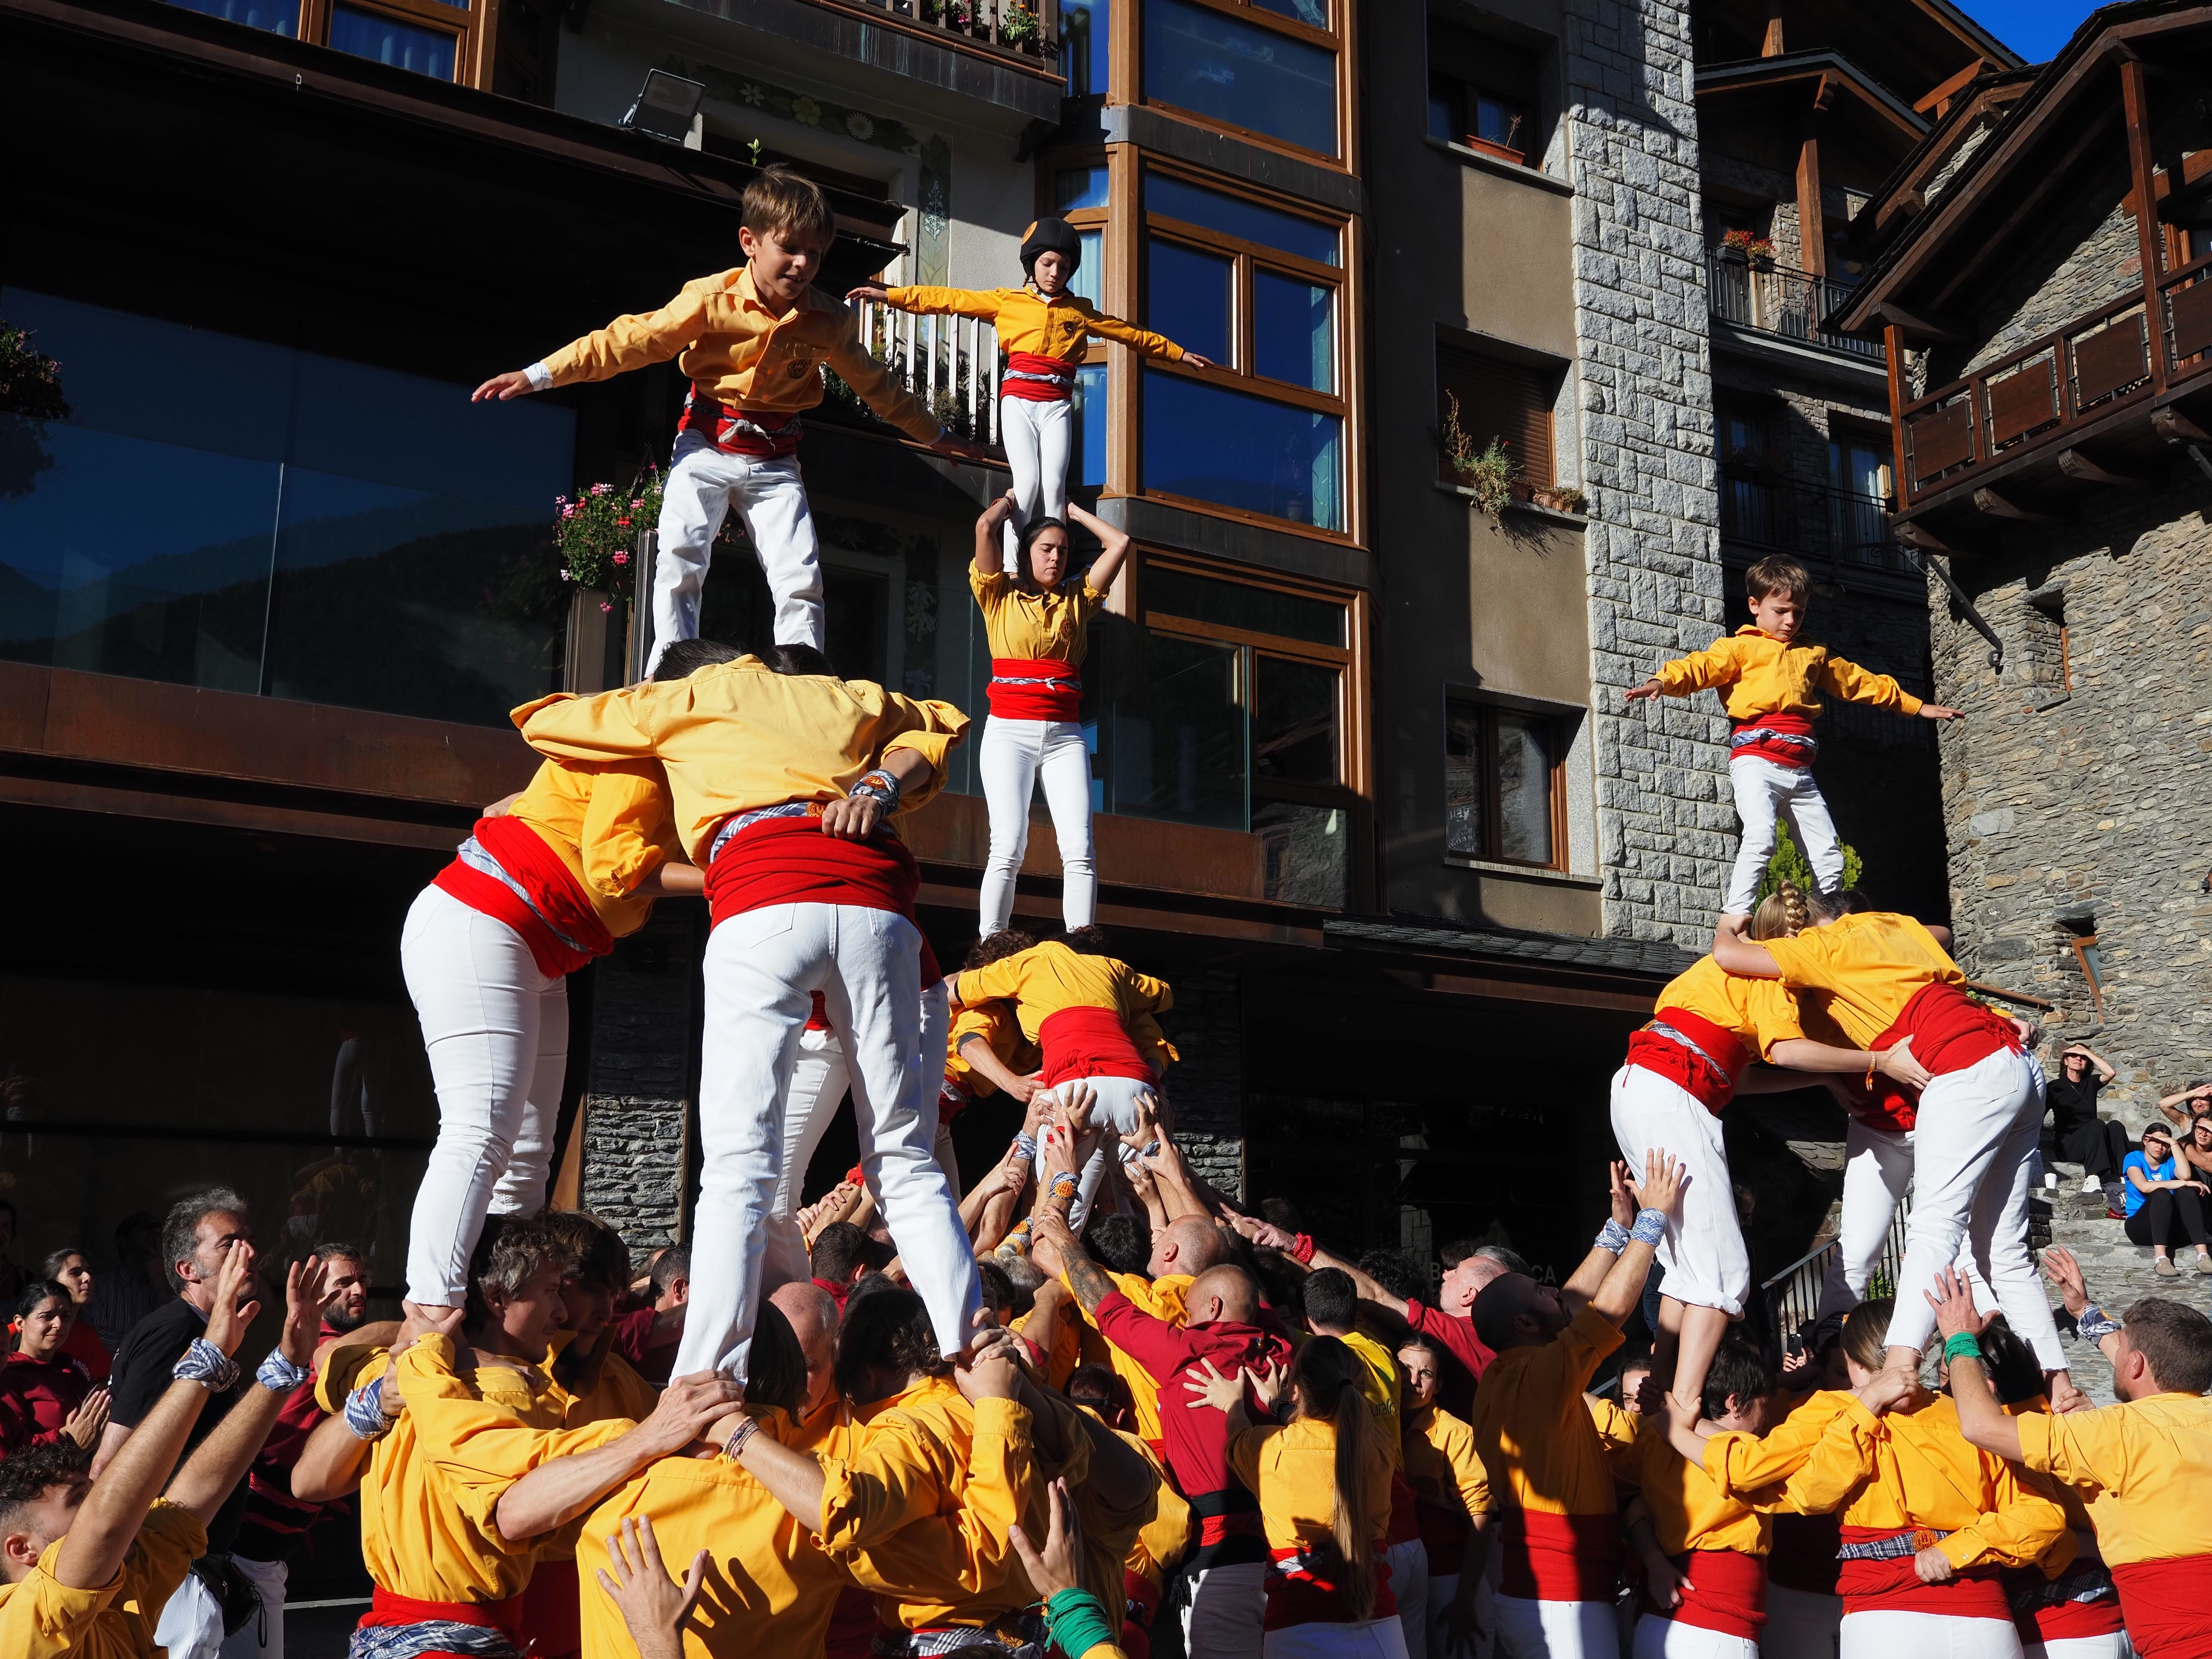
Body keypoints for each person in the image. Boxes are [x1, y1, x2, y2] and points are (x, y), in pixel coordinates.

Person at [519, 644, 981, 1385]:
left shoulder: (684, 698)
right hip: (877, 906)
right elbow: (939, 723)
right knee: (902, 1154)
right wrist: (877, 783)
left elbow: (547, 726)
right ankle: (969, 1345)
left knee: (740, 1166)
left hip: (762, 894)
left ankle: (706, 1378)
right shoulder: (839, 691)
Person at [476, 167, 950, 663]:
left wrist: (937, 435)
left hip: (775, 461)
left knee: (799, 574)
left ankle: (805, 677)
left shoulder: (829, 321)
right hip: (705, 445)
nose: (803, 263)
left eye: (815, 253)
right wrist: (540, 374)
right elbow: (630, 341)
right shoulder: (710, 299)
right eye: (790, 248)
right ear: (750, 241)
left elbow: (878, 385)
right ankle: (671, 668)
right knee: (681, 557)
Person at [401, 658, 705, 1320]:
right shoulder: (642, 742)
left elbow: (514, 810)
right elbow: (615, 864)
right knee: (481, 1134)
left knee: (526, 1157)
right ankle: (432, 1316)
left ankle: (502, 1312)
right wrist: (732, 876)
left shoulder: (658, 752)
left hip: (530, 944)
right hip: (484, 922)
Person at [1708, 893, 2081, 1404]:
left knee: (1940, 1232)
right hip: (1947, 1092)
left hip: (1956, 1085)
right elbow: (1935, 947)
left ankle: (1901, 1366)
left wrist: (1732, 924)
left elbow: (1731, 959)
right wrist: (1839, 1074)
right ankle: (2057, 1387)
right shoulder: (1856, 946)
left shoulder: (1834, 944)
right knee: (1929, 1250)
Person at [1611, 932, 1924, 1422]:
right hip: (1671, 1094)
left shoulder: (1716, 983)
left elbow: (1738, 1079)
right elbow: (1788, 1049)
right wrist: (1879, 1061)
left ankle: (1663, 1388)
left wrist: (1826, 1078)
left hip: (1648, 1088)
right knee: (1727, 1273)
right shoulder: (1768, 969)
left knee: (1689, 1269)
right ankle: (1683, 1408)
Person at [0, 1244, 330, 1659]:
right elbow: (104, 1522)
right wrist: (206, 1359)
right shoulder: (20, 1623)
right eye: (80, 1499)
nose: (102, 1502)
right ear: (22, 1550)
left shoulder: (130, 1575)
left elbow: (194, 1494)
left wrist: (284, 1367)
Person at [1700, 1297, 2066, 1659]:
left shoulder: (1834, 1409)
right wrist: (1958, 1548)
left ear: (1854, 1361)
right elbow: (2042, 1515)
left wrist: (1681, 1424)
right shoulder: (1972, 1415)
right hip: (1980, 1613)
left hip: (1887, 1618)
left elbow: (1809, 1494)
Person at [848, 218, 1212, 564]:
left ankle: (1051, 560)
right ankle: (1012, 564)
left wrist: (1178, 353)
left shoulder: (1081, 311)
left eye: (1064, 267)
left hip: (1057, 406)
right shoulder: (1008, 301)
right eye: (1048, 263)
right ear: (1032, 264)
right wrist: (890, 294)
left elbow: (1129, 333)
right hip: (1019, 400)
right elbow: (950, 299)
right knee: (1028, 480)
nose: (1056, 273)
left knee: (1054, 486)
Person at [1625, 555, 1962, 921]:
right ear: (1755, 606)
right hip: (1758, 760)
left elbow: (1859, 682)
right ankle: (1735, 916)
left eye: (1798, 613)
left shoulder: (1812, 653)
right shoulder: (1739, 649)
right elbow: (1698, 667)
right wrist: (1662, 682)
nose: (1790, 621)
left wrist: (1916, 707)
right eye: (1781, 611)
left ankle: (1824, 920)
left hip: (1800, 771)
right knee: (1761, 837)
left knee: (1829, 854)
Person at [1037, 1207, 1292, 1659]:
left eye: (1188, 1313)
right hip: (1286, 1545)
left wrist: (1064, 1242)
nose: (1182, 1321)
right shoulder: (1278, 1347)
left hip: (1223, 1555)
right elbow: (1252, 1295)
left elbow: (1105, 1305)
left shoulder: (1191, 1351)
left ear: (1211, 1309)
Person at [1941, 1249, 2212, 1659]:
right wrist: (2083, 1309)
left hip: (2185, 1639)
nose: (2115, 1351)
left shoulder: (2110, 1433)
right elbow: (2154, 1367)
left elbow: (1982, 1427)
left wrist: (1959, 1340)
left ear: (2135, 1365)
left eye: (2121, 1347)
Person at [1465, 1155, 1681, 1659]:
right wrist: (1654, 1219)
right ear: (1524, 1324)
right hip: (1564, 1603)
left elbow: (1572, 1305)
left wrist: (1617, 1229)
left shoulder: (1509, 1372)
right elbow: (1603, 1312)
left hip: (1545, 1596)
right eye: (1540, 1290)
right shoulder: (1541, 1375)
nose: (1553, 1290)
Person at [960, 492, 1133, 934]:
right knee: (1009, 846)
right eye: (1047, 549)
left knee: (1080, 849)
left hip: (1064, 738)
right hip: (1009, 735)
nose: (1056, 558)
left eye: (1063, 551)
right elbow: (984, 529)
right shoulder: (998, 595)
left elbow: (1120, 544)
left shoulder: (1078, 599)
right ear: (1027, 553)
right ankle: (990, 943)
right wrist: (1007, 504)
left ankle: (1082, 945)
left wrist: (1074, 514)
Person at [1178, 1334, 1402, 1658]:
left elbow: (1240, 1435)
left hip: (1298, 1630)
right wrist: (1283, 1407)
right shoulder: (1381, 1448)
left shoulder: (1269, 1451)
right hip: (1382, 1628)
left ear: (1296, 1391)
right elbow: (1334, 1432)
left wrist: (1234, 1404)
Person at [947, 927, 1173, 1228]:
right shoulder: (1111, 969)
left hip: (1075, 1091)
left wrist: (1014, 1084)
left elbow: (947, 990)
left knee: (1050, 1204)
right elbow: (1163, 999)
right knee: (1144, 1202)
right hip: (1136, 1090)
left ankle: (1039, 1259)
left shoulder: (1028, 964)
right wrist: (1148, 1082)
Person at [223, 1245, 373, 1659]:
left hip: (266, 1552)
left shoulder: (343, 1344)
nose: (359, 1290)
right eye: (344, 1283)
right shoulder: (326, 1345)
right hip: (246, 1548)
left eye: (362, 1281)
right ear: (317, 1297)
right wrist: (420, 1328)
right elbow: (334, 1359)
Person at [1614, 1341, 1776, 1659]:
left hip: (1657, 1623)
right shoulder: (1749, 1452)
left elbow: (1632, 1501)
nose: (1767, 1417)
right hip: (1717, 1630)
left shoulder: (1653, 1439)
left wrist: (1654, 1560)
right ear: (1735, 1403)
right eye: (1764, 1404)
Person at [1303, 1269, 1429, 1658]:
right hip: (1409, 1531)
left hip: (1369, 1535)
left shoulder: (1320, 1362)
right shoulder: (1379, 1350)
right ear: (1355, 1311)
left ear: (1307, 1321)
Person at [1396, 1335, 1492, 1659]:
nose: (1413, 1381)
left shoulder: (1456, 1433)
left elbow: (1480, 1516)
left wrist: (1465, 1598)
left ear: (1437, 1386)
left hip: (1450, 1578)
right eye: (1404, 1369)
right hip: (1400, 1577)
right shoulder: (1378, 1426)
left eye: (1425, 1374)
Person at [0, 1282, 108, 1458]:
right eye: (47, 1316)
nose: (58, 1324)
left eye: (65, 1316)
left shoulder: (72, 1370)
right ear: (20, 1323)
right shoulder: (8, 1375)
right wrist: (67, 1439)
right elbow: (14, 1452)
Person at [2119, 1123, 2211, 1277]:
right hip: (2140, 1227)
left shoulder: (2169, 1162)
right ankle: (2161, 1258)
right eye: (2156, 1141)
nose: (2160, 1147)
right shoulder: (2134, 1158)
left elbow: (2185, 1175)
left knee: (2186, 1192)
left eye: (2164, 1143)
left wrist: (2174, 1143)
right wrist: (2182, 1183)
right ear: (2145, 1141)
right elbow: (2144, 1187)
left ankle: (2203, 1256)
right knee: (2161, 1193)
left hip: (2170, 1228)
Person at [2043, 1043, 2125, 1199]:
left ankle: (2124, 1176)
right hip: (2068, 1145)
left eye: (2083, 1058)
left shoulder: (2091, 1083)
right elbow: (2040, 1115)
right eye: (2074, 1056)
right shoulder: (2054, 1087)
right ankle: (2093, 1177)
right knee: (2096, 1124)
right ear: (2065, 1062)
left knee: (2116, 1126)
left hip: (2093, 1140)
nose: (2078, 1059)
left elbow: (2110, 1072)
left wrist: (2087, 1052)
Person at [84, 1214, 167, 1359]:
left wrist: (161, 1280)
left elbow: (174, 1331)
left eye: (158, 1227)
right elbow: (97, 1338)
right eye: (145, 1225)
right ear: (123, 1241)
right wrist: (148, 1347)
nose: (155, 1232)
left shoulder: (170, 1284)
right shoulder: (98, 1286)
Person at [609, 1246, 690, 1386]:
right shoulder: (611, 1329)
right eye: (595, 1290)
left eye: (624, 1282)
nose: (619, 1293)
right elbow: (675, 1326)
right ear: (680, 1290)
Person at [40, 1249, 111, 1382]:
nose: (88, 1278)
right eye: (75, 1273)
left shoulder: (88, 1337)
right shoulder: (17, 1331)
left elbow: (103, 1381)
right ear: (52, 1282)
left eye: (89, 1272)